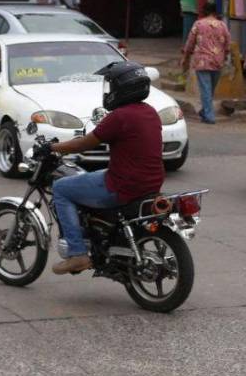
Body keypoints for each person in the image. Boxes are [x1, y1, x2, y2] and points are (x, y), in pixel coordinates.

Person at [47, 61, 165, 275]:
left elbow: (85, 143)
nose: (108, 91)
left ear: (122, 88)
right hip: (149, 183)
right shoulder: (150, 112)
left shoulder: (120, 116)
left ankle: (78, 254)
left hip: (122, 185)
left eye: (111, 86)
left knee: (62, 188)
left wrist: (53, 147)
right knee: (91, 176)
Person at [182, 2, 231, 124]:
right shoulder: (222, 25)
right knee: (209, 89)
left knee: (206, 89)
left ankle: (208, 115)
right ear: (215, 12)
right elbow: (228, 44)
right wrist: (225, 56)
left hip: (202, 61)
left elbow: (190, 43)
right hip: (217, 61)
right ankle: (206, 112)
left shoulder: (198, 24)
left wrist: (186, 56)